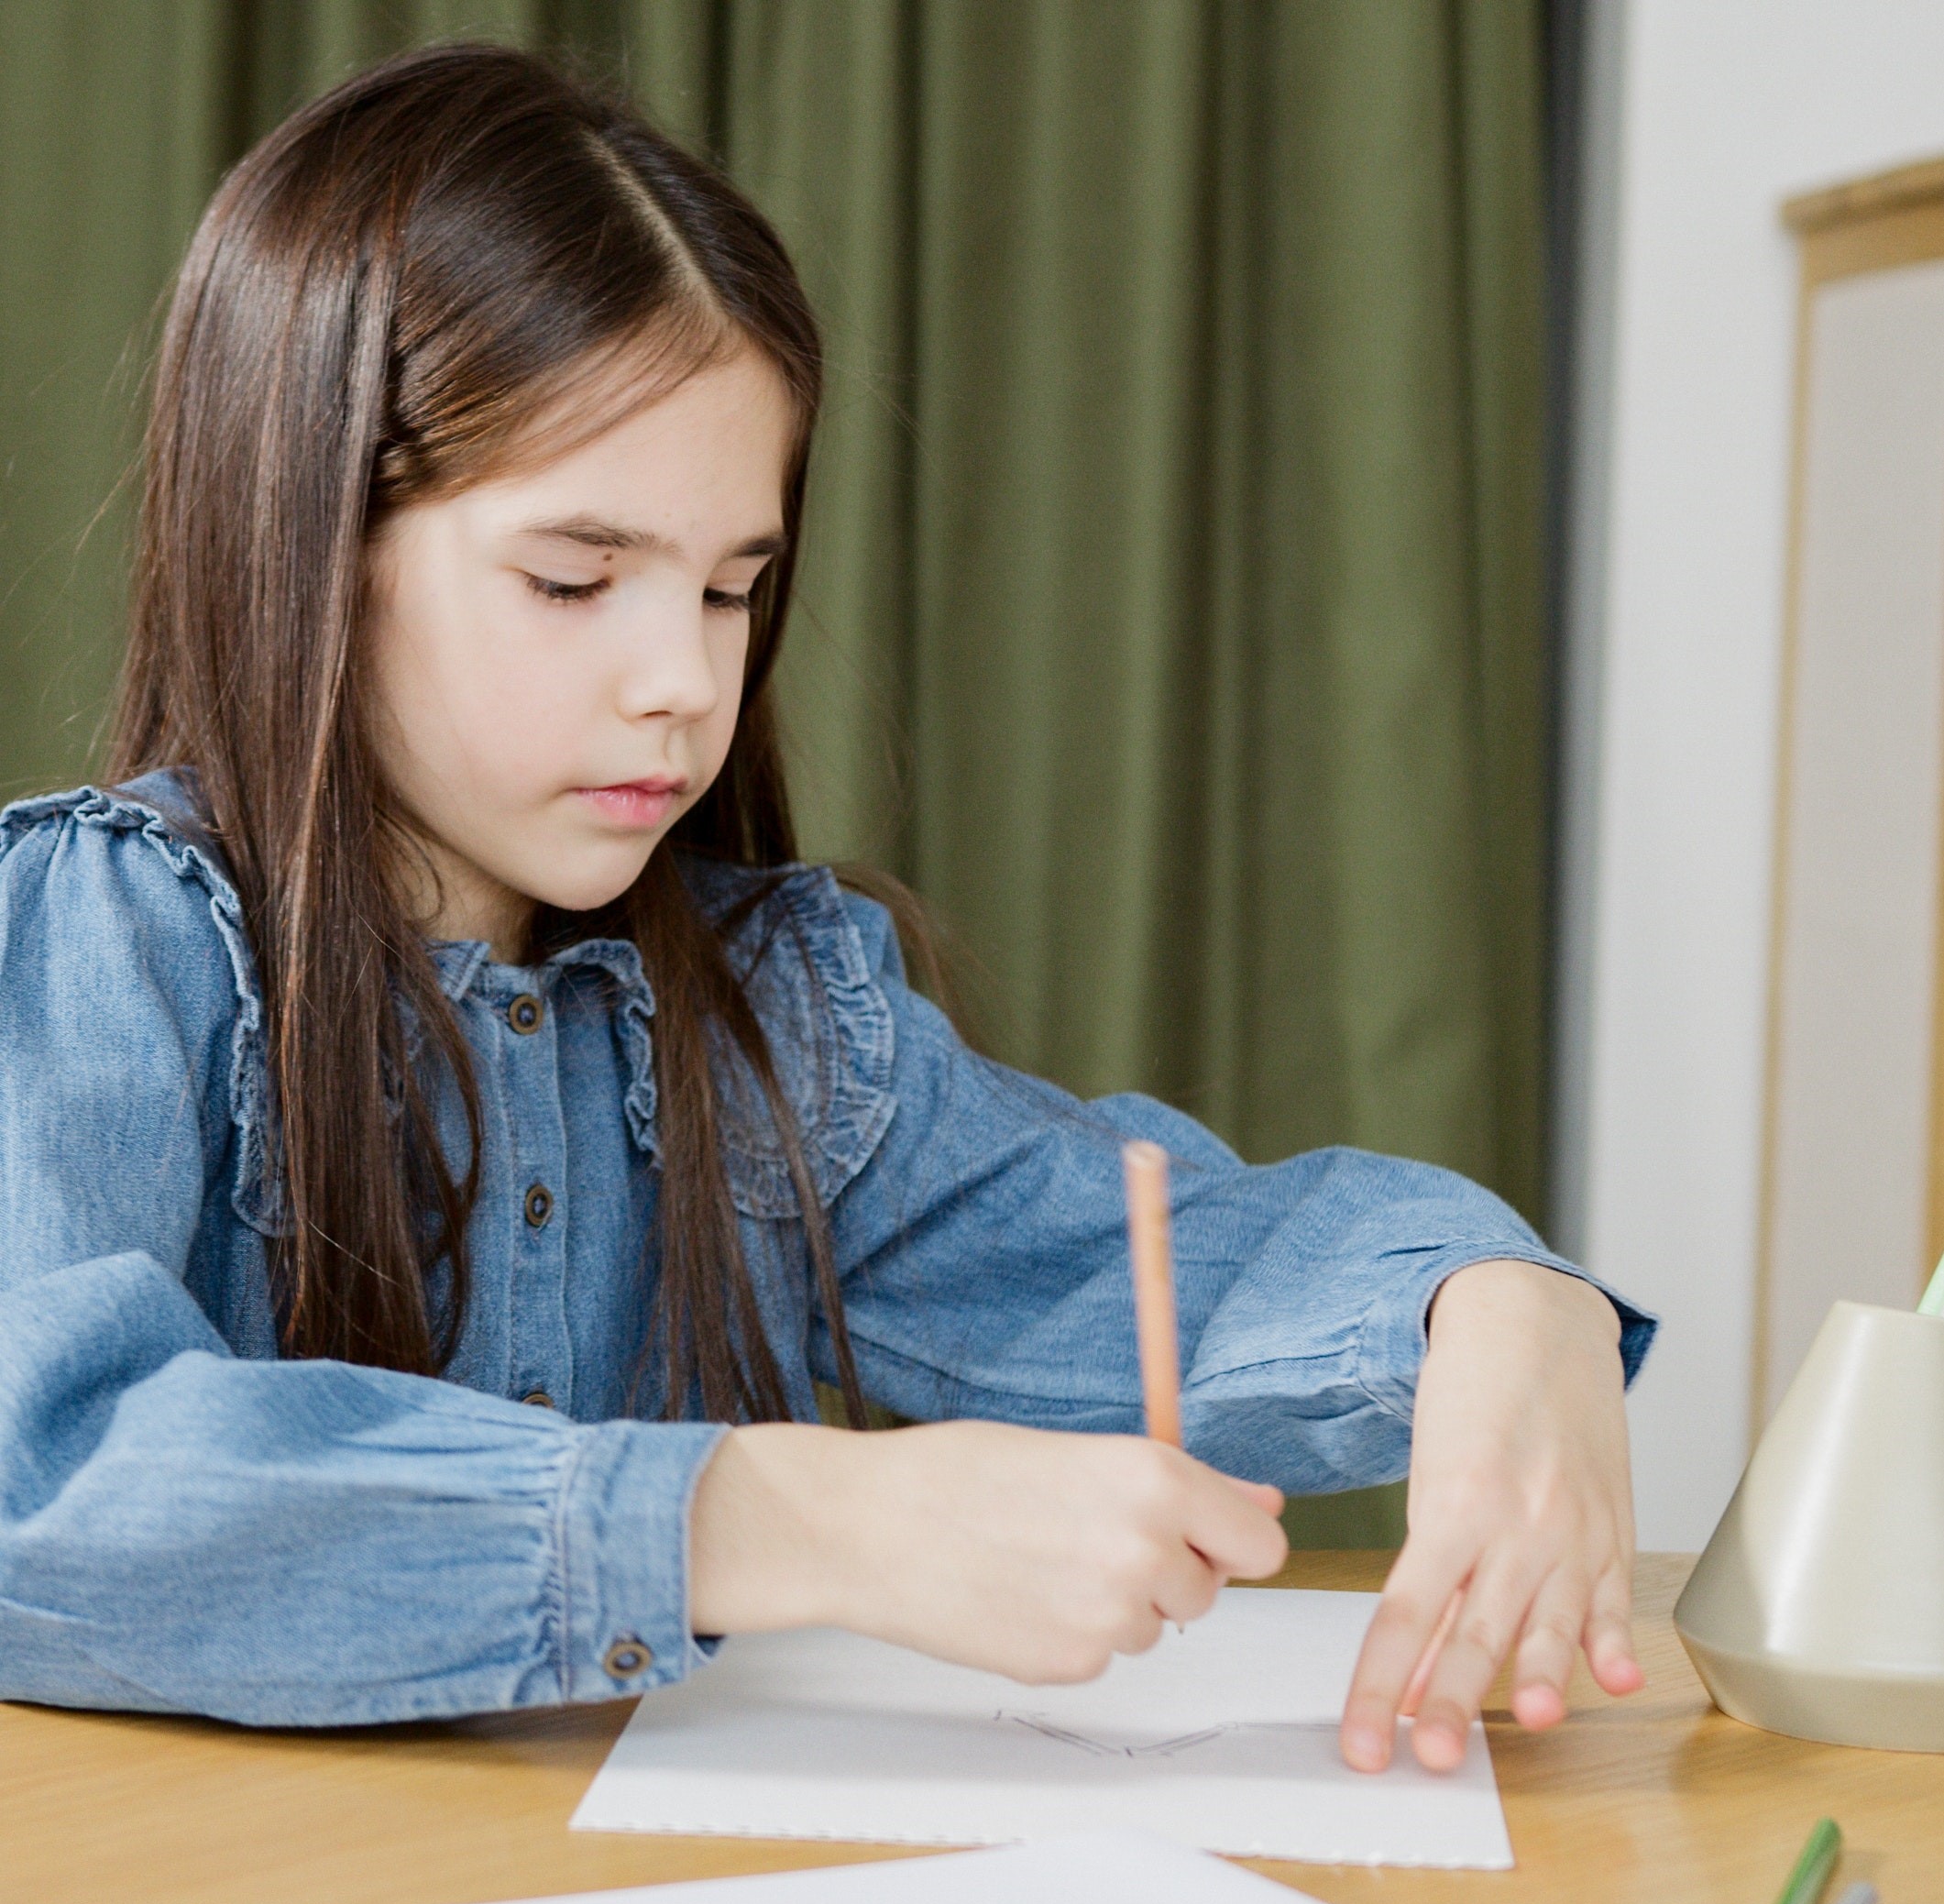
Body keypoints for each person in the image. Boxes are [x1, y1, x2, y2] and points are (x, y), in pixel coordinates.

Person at [0, 46, 1652, 1772]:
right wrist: (777, 1514)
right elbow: (42, 1480)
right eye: (574, 578)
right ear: (308, 539)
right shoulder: (108, 938)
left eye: (731, 590)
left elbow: (1138, 1265)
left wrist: (1490, 1304)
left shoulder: (775, 1016)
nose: (681, 680)